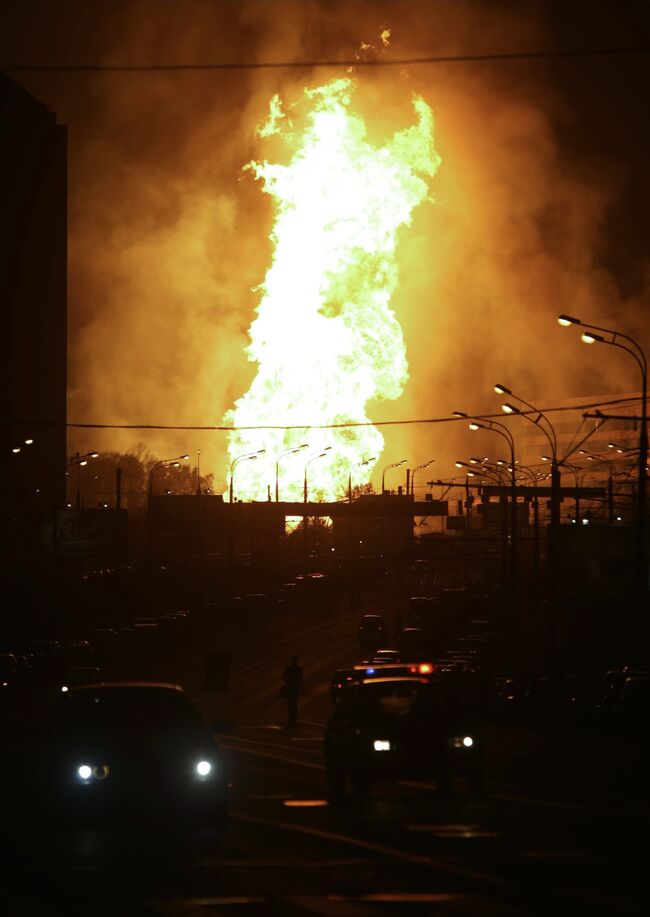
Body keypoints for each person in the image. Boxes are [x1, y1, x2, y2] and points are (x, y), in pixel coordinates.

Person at [282, 656, 303, 727]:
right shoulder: (298, 669)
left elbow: (284, 676)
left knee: (291, 702)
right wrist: (302, 688)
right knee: (294, 702)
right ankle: (294, 715)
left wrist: (287, 682)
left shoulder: (289, 669)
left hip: (290, 687)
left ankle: (292, 716)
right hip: (295, 688)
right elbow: (301, 679)